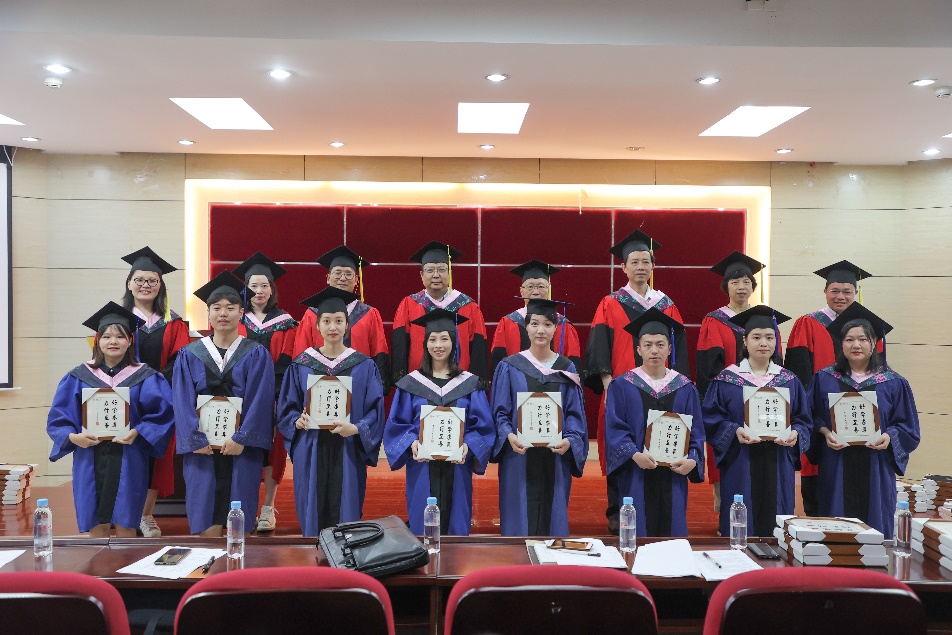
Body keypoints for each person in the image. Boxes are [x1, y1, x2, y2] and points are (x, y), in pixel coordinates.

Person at [584, 229, 689, 532]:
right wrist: (608, 385)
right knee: (621, 445)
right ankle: (617, 512)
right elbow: (599, 347)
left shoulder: (666, 305)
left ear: (653, 267)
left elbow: (678, 351)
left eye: (646, 262)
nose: (641, 267)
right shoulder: (610, 303)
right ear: (624, 267)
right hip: (623, 392)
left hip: (663, 391)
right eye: (635, 262)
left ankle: (660, 512)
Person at [46, 302, 174, 537]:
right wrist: (73, 437)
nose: (113, 341)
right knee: (96, 522)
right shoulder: (78, 377)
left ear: (130, 341)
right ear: (98, 341)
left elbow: (162, 413)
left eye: (120, 336)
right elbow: (59, 418)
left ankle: (125, 559)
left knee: (127, 522)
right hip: (89, 456)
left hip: (129, 455)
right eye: (106, 336)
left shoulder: (145, 377)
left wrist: (138, 431)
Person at [172, 271, 275, 537]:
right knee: (206, 517)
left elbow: (261, 400)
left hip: (241, 448)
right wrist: (195, 439)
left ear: (241, 313)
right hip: (202, 448)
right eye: (216, 307)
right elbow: (182, 401)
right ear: (208, 313)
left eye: (230, 307)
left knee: (238, 523)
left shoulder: (256, 353)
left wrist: (242, 438)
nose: (223, 313)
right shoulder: (190, 354)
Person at [277, 287, 385, 536]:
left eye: (338, 321)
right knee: (311, 504)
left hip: (348, 447)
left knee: (346, 509)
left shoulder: (364, 365)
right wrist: (297, 421)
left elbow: (375, 409)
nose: (332, 327)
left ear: (347, 326)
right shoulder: (302, 364)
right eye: (326, 321)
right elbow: (287, 407)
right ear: (317, 326)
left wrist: (356, 428)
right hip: (311, 446)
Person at [807, 303, 919, 537]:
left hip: (876, 464)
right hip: (836, 463)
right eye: (849, 339)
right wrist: (825, 432)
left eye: (863, 339)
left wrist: (889, 436)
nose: (855, 345)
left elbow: (908, 426)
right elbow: (809, 416)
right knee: (836, 529)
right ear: (841, 343)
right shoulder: (824, 379)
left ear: (874, 343)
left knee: (875, 530)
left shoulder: (893, 382)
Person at [702, 305, 810, 538]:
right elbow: (711, 417)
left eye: (769, 337)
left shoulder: (788, 380)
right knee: (741, 520)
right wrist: (733, 431)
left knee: (777, 524)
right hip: (740, 459)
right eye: (757, 337)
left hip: (778, 459)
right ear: (745, 341)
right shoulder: (727, 380)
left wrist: (797, 433)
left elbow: (803, 419)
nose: (764, 343)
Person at [384, 309, 494, 535]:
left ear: (454, 343)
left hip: (458, 468)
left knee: (457, 520)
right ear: (425, 344)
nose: (438, 345)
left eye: (444, 339)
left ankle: (456, 557)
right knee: (423, 524)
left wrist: (469, 445)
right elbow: (397, 423)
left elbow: (483, 426)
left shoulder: (469, 384)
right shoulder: (411, 384)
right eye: (432, 339)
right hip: (421, 465)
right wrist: (412, 442)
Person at [490, 299, 587, 537]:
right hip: (518, 455)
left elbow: (575, 413)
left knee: (552, 518)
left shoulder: (566, 368)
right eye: (534, 324)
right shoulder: (510, 366)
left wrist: (571, 440)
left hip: (555, 456)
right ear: (527, 327)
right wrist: (508, 435)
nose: (540, 330)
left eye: (547, 324)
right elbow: (500, 411)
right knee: (519, 517)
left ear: (556, 328)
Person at [784, 260, 874, 516]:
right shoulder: (808, 323)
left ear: (856, 293)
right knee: (818, 477)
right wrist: (810, 413)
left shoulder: (868, 329)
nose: (840, 296)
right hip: (819, 415)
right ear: (825, 291)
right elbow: (798, 375)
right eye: (834, 291)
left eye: (847, 291)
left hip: (858, 419)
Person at [604, 308, 704, 537]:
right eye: (647, 345)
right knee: (638, 530)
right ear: (638, 349)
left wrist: (693, 459)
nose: (654, 350)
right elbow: (615, 427)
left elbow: (697, 431)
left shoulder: (685, 387)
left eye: (660, 344)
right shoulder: (622, 385)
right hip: (637, 471)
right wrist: (633, 454)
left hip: (674, 472)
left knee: (672, 532)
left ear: (669, 349)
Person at [120, 246, 191, 538]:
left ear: (160, 285)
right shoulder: (118, 319)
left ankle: (146, 514)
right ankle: (124, 513)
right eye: (140, 280)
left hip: (160, 399)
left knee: (155, 454)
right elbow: (105, 353)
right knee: (125, 453)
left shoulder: (173, 322)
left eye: (152, 280)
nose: (146, 285)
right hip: (124, 398)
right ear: (129, 284)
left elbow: (180, 359)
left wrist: (153, 384)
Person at [695, 251, 768, 512]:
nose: (741, 287)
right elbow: (708, 369)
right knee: (726, 452)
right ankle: (724, 508)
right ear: (726, 286)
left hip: (761, 401)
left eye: (746, 281)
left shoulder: (764, 319)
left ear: (753, 287)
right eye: (735, 282)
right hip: (728, 402)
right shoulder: (714, 321)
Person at [233, 251, 298, 532]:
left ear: (272, 289)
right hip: (240, 397)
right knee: (243, 449)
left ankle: (268, 508)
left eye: (264, 285)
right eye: (253, 285)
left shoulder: (285, 322)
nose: (259, 291)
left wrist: (274, 395)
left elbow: (287, 359)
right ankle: (242, 507)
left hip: (273, 396)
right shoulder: (236, 319)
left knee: (272, 451)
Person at [293, 245, 391, 392]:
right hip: (318, 389)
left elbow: (379, 353)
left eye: (348, 274)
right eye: (337, 273)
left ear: (356, 280)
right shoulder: (312, 314)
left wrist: (378, 389)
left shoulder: (369, 314)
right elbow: (301, 353)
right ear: (328, 278)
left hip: (359, 386)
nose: (343, 278)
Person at [391, 241, 489, 386]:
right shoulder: (409, 305)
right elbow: (400, 347)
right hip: (419, 384)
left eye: (442, 269)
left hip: (459, 384)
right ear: (421, 275)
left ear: (449, 273)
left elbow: (478, 350)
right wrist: (403, 384)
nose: (436, 275)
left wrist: (475, 386)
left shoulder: (469, 306)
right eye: (430, 270)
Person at [490, 260, 582, 378]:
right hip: (516, 385)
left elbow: (574, 366)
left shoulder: (564, 325)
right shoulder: (508, 323)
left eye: (541, 286)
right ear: (521, 290)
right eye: (530, 287)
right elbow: (498, 363)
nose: (535, 292)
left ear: (549, 289)